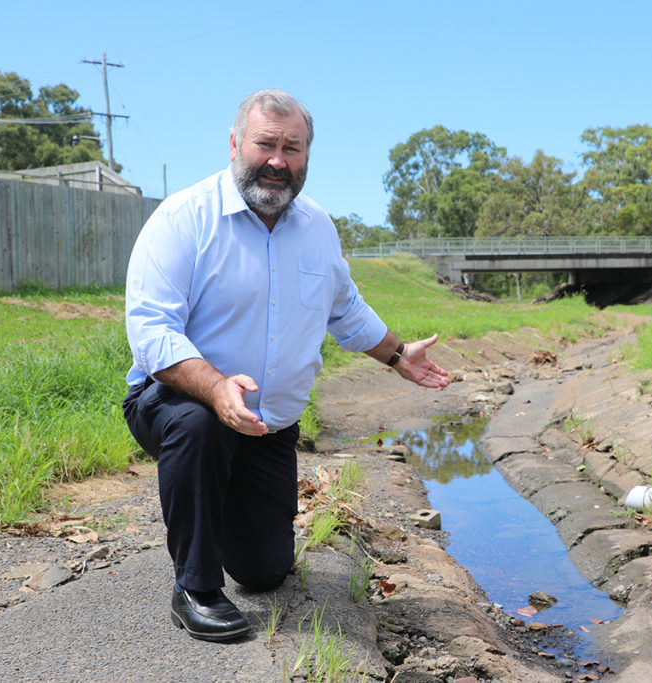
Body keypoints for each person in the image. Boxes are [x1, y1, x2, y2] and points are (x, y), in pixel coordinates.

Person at [121, 89, 449, 642]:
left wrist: (397, 355)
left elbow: (344, 308)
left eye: (292, 148)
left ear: (306, 156)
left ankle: (218, 499)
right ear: (234, 145)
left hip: (269, 428)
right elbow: (151, 332)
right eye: (266, 144)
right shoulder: (183, 219)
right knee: (200, 426)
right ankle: (194, 589)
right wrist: (218, 388)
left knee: (264, 573)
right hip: (177, 403)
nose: (278, 160)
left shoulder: (317, 227)